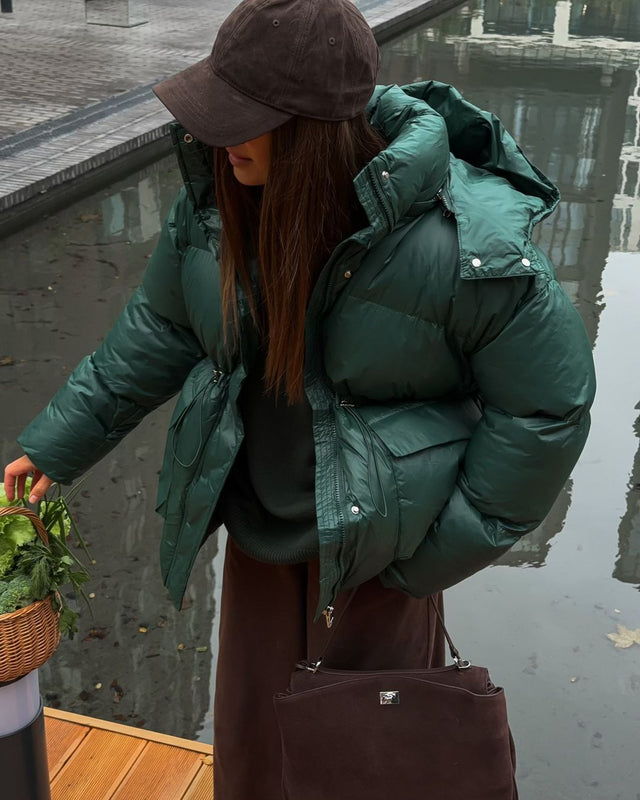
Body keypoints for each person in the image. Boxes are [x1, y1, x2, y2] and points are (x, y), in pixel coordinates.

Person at [4, 0, 595, 797]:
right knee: (251, 747)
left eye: (240, 118)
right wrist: (53, 446)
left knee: (370, 761)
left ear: (311, 127)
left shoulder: (469, 239)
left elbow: (546, 412)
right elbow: (153, 334)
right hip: (260, 529)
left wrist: (428, 558)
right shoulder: (218, 204)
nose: (218, 137)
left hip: (381, 554)